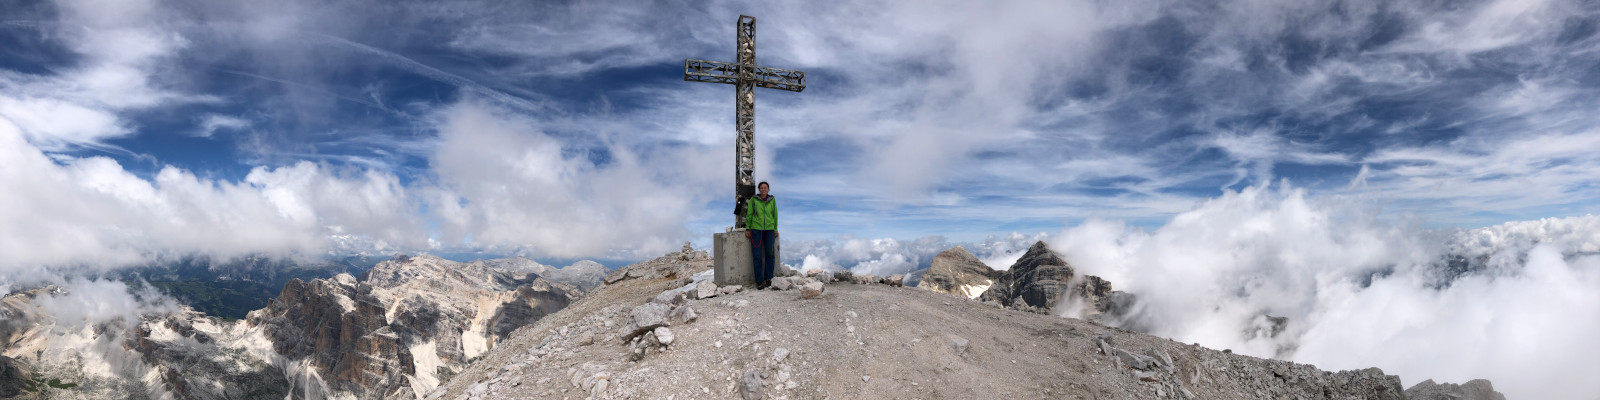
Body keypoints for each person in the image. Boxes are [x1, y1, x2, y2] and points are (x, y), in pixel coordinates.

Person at [744, 181, 779, 288]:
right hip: (756, 229)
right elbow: (749, 214)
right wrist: (748, 228)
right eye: (762, 188)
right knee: (757, 255)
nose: (763, 189)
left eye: (765, 188)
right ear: (759, 189)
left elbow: (775, 214)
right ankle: (759, 281)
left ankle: (768, 278)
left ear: (768, 189)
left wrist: (775, 228)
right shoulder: (754, 200)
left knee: (770, 254)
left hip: (769, 229)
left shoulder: (772, 200)